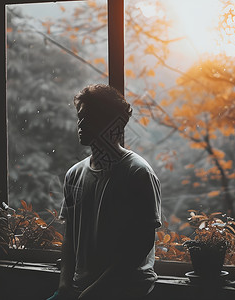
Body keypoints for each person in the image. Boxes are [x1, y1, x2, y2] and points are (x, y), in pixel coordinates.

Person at [48, 84, 162, 300]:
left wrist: (94, 292)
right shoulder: (74, 174)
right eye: (80, 117)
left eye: (88, 117)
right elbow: (70, 237)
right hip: (83, 290)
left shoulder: (137, 173)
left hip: (127, 292)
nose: (81, 124)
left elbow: (140, 245)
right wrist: (64, 286)